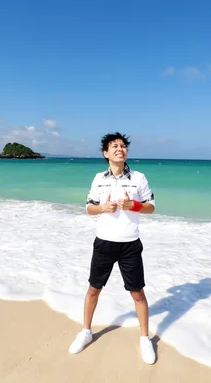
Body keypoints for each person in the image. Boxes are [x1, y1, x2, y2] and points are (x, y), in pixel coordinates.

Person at [68, 132, 156, 364]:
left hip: (130, 245)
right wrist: (103, 208)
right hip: (104, 243)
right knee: (93, 290)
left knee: (137, 293)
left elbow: (151, 207)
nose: (120, 149)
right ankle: (86, 332)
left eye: (123, 146)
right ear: (106, 153)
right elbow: (88, 208)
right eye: (114, 146)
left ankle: (145, 338)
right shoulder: (99, 178)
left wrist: (133, 205)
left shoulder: (139, 177)